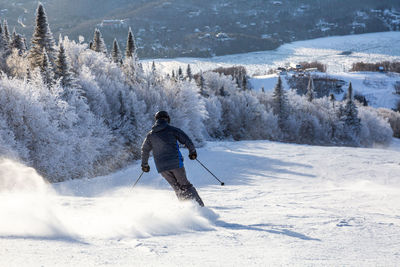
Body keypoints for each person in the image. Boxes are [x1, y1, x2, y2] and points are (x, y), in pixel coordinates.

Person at [141, 111, 204, 207]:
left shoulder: (150, 135)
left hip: (162, 167)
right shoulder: (172, 130)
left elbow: (145, 149)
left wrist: (144, 164)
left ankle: (187, 208)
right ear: (167, 119)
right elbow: (186, 140)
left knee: (177, 188)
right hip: (175, 163)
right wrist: (192, 152)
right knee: (185, 185)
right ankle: (200, 207)